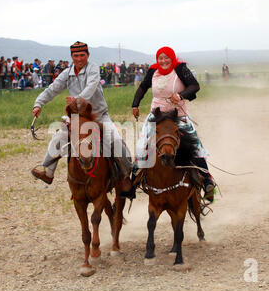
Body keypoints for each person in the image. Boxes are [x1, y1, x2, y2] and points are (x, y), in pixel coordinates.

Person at [30, 41, 134, 198]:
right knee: (58, 138)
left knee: (115, 140)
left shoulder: (93, 69)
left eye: (82, 55)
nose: (79, 58)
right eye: (76, 55)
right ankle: (49, 173)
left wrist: (75, 101)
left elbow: (91, 88)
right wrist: (38, 104)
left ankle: (126, 177)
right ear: (71, 56)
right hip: (77, 119)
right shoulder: (67, 73)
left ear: (88, 55)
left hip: (99, 116)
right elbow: (51, 89)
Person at [131, 46, 215, 202]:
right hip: (156, 116)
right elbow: (143, 87)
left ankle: (207, 181)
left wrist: (180, 95)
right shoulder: (153, 71)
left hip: (178, 116)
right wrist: (135, 104)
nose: (163, 61)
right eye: (160, 58)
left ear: (172, 57)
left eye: (166, 57)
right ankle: (133, 182)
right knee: (142, 145)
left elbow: (195, 86)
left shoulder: (180, 68)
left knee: (195, 146)